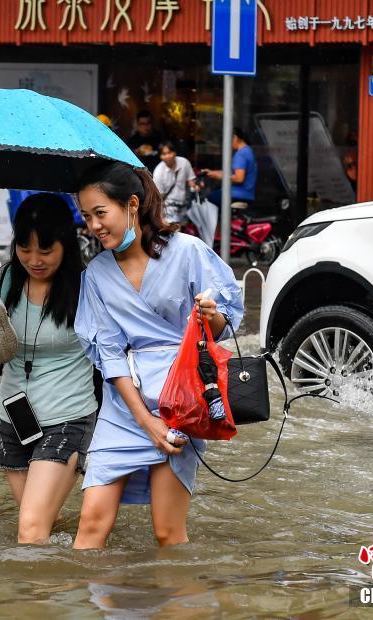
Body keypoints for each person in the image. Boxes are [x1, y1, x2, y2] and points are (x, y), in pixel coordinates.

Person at [72, 161, 244, 549]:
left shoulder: (187, 252)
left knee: (168, 533)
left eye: (101, 213)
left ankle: (175, 606)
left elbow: (222, 325)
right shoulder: (96, 273)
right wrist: (145, 420)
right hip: (124, 404)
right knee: (90, 526)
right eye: (86, 216)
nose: (94, 226)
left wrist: (212, 316)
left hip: (181, 401)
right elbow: (108, 353)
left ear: (131, 205)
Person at [0, 194, 98, 543]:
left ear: (66, 244)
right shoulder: (5, 280)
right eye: (24, 247)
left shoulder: (88, 288)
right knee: (38, 529)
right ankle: (61, 587)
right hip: (13, 417)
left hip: (67, 416)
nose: (34, 260)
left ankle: (28, 596)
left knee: (31, 529)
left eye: (45, 250)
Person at [206, 127, 257, 209]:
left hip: (237, 193)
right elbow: (231, 173)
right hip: (247, 194)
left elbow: (239, 178)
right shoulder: (248, 150)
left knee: (208, 199)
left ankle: (219, 222)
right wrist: (212, 173)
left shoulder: (241, 154)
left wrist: (221, 177)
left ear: (235, 138)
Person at [152, 140, 196, 224]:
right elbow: (158, 197)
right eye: (164, 154)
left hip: (185, 206)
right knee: (173, 231)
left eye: (169, 152)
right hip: (168, 208)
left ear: (175, 152)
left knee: (185, 231)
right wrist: (160, 216)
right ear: (160, 156)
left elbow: (191, 182)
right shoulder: (158, 172)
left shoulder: (184, 163)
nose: (167, 156)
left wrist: (196, 186)